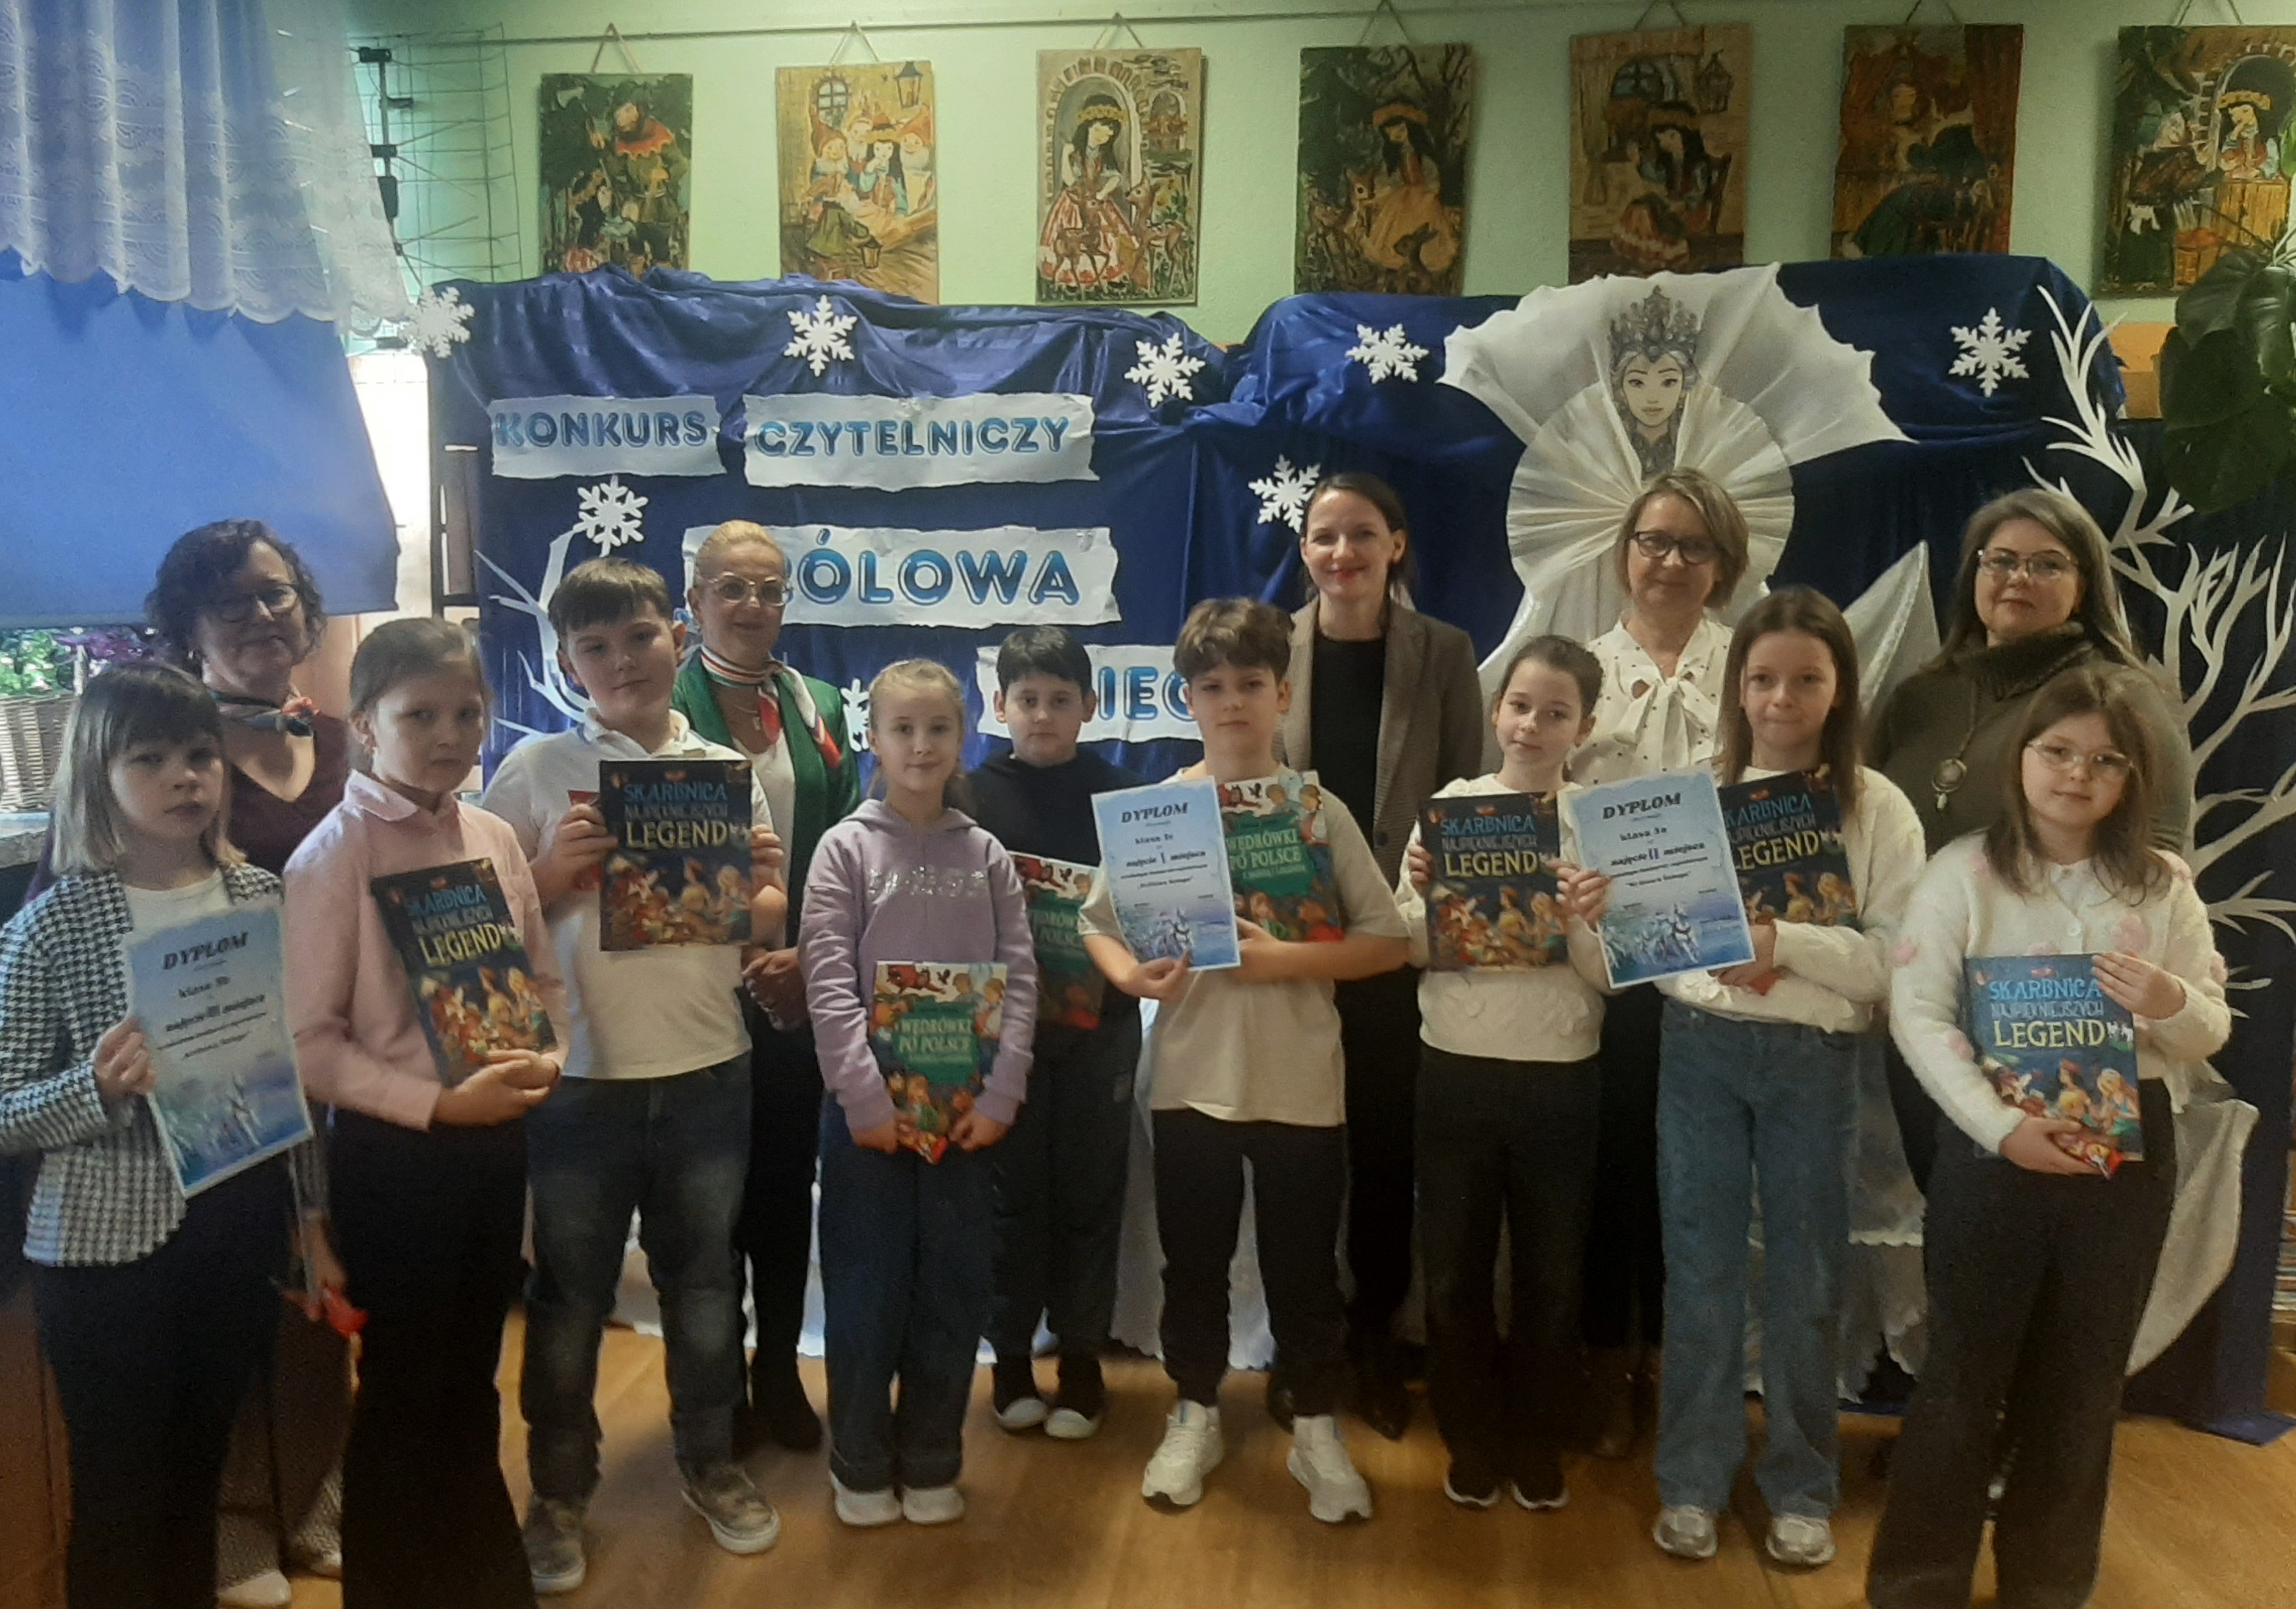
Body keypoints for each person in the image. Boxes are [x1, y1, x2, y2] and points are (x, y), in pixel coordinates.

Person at [1872, 667, 2230, 1608]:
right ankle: (1916, 1583)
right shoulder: (1961, 873)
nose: (2077, 773)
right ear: (2020, 755)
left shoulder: (2160, 886)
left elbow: (2209, 1027)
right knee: (1961, 1374)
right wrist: (1999, 1128)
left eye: (2105, 761)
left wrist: (2171, 1000)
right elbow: (1918, 1014)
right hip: (1994, 1152)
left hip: (2124, 1157)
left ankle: (2048, 1582)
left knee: (2081, 1382)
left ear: (2132, 777)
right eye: (2058, 751)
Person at [479, 559, 789, 1593]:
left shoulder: (722, 764)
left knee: (704, 1284)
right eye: (597, 646)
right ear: (569, 662)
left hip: (708, 1064)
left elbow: (764, 915)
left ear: (677, 638)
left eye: (641, 637)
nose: (623, 661)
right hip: (579, 1079)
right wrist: (550, 874)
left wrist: (760, 887)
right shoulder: (535, 767)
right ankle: (560, 1491)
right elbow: (478, 928)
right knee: (569, 1295)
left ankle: (710, 1460)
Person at [0, 663, 334, 1609]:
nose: (184, 776)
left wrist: (310, 1221)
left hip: (236, 1225)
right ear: (97, 773)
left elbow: (287, 1073)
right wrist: (95, 1087)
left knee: (197, 1477)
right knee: (120, 1495)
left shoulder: (258, 895)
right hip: (107, 1252)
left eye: (199, 754)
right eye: (149, 758)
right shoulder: (52, 926)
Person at [1082, 598, 1411, 1524]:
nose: (1232, 702)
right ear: (1188, 699)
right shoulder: (1159, 813)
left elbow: (1387, 942)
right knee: (1193, 1266)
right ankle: (1194, 1411)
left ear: (1283, 695)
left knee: (1305, 1272)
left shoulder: (1316, 811)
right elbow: (1097, 922)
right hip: (1191, 1082)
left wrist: (1281, 960)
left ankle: (1316, 1426)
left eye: (1251, 684)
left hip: (1302, 1085)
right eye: (1213, 686)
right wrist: (1131, 978)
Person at [1636, 587, 1924, 1569]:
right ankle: (1691, 1478)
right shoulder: (1690, 791)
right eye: (1761, 678)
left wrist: (1783, 944)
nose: (1780, 699)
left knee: (1808, 1276)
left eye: (1805, 679)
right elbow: (1658, 946)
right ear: (1736, 685)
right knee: (1701, 1269)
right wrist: (1705, 951)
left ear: (1840, 687)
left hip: (1815, 1062)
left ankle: (1801, 1486)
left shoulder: (1876, 805)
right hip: (1700, 1049)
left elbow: (1890, 964)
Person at [285, 619, 568, 1609]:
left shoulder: (491, 835)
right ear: (365, 724)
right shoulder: (333, 856)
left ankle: (481, 1579)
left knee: (471, 1379)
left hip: (496, 1148)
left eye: (466, 712)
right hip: (394, 1159)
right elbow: (309, 1043)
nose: (449, 734)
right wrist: (438, 1103)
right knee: (406, 1392)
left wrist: (550, 1055)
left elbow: (539, 980)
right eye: (420, 715)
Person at [134, 518, 357, 1607]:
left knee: (322, 1292)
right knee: (226, 1302)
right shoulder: (170, 755)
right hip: (219, 1066)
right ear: (188, 627)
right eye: (232, 601)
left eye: (277, 593)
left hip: (343, 1069)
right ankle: (233, 1522)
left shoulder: (349, 739)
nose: (263, 615)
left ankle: (315, 1496)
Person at [1869, 488, 2194, 1189]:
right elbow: (1864, 828)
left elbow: (2154, 866)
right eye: (2001, 560)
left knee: (2053, 1217)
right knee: (1952, 1210)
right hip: (1925, 1005)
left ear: (2085, 585)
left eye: (2047, 564)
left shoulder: (2120, 698)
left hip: (2050, 1025)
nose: (2018, 577)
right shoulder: (1920, 694)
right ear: (1974, 574)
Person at [800, 659, 1038, 1527]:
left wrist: (1002, 1093)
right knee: (867, 1293)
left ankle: (934, 1455)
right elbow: (828, 982)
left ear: (963, 736)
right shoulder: (844, 849)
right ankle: (861, 1462)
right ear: (874, 737)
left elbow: (1019, 977)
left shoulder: (987, 857)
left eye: (939, 728)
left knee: (952, 1290)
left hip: (965, 1121)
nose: (922, 745)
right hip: (866, 1124)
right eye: (903, 728)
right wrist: (865, 1101)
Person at [1273, 471, 1482, 1438]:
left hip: (1394, 948)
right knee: (1302, 1156)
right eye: (1324, 535)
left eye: (1362, 533)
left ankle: (1373, 1337)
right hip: (1294, 948)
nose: (1342, 552)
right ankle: (1304, 1341)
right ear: (1304, 549)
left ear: (1396, 544)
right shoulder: (1271, 647)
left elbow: (1468, 794)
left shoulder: (1443, 652)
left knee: (1387, 1151)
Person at [1392, 636, 1614, 1511]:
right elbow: (1411, 949)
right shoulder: (1452, 809)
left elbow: (1615, 976)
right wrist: (1426, 895)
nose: (1532, 725)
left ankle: (1536, 1437)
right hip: (1455, 1068)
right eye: (1520, 705)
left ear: (1583, 728)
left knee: (1552, 1278)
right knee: (1453, 1273)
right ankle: (1471, 1434)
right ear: (1496, 711)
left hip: (1562, 1076)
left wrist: (1581, 919)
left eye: (1556, 712)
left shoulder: (1597, 825)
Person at [1572, 467, 1753, 1458]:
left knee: (1702, 1183)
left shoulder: (1757, 669)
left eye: (1693, 545)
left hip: (1729, 970)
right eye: (1653, 540)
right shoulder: (1580, 671)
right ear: (1624, 552)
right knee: (1614, 1172)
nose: (1669, 561)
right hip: (1612, 967)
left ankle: (1678, 1369)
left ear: (1723, 563)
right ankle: (1606, 1359)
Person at [671, 520, 862, 1456]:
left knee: (784, 1191)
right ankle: (716, 1389)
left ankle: (779, 1372)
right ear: (695, 597)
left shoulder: (816, 701)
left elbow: (848, 849)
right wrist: (751, 953)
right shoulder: (663, 705)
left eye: (771, 589)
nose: (753, 605)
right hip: (699, 988)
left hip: (797, 986)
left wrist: (808, 955)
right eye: (732, 587)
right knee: (711, 1206)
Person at [971, 626, 1145, 1439]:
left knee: (1089, 1198)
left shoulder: (1128, 799)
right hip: (1001, 1040)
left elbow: (1156, 914)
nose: (1042, 714)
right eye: (1027, 699)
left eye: (1060, 699)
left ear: (1090, 706)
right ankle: (1009, 1360)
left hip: (1100, 1034)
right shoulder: (966, 797)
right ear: (999, 704)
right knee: (1010, 1203)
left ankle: (1080, 1360)